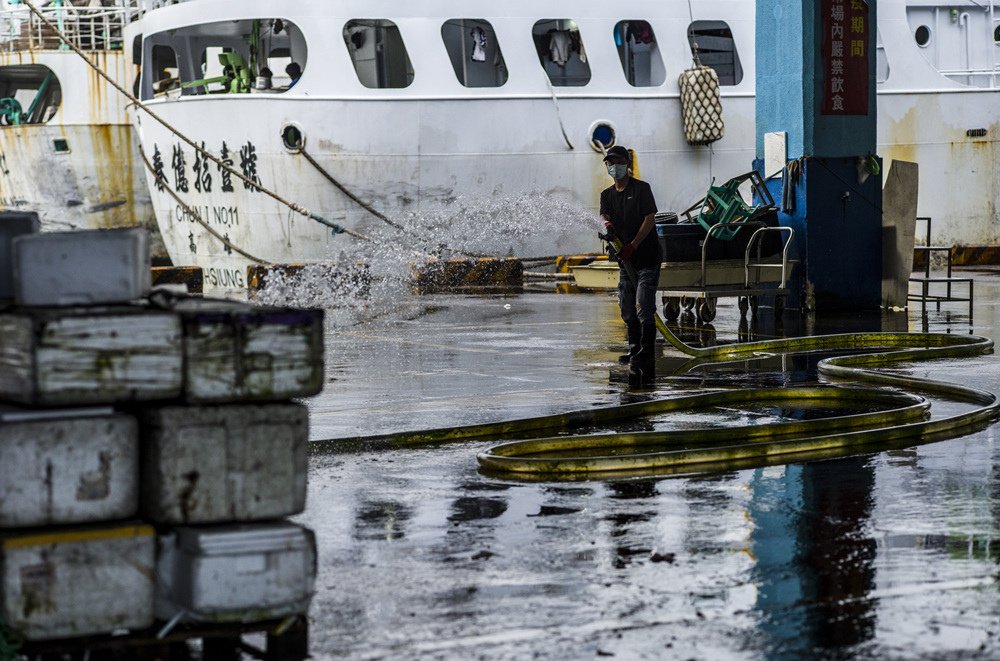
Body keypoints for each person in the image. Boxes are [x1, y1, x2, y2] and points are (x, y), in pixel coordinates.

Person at [599, 145, 661, 384]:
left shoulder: (642, 189)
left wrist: (634, 244)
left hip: (646, 258)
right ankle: (635, 348)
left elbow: (649, 219)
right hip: (625, 262)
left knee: (644, 305)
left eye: (617, 162)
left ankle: (647, 351)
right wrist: (607, 227)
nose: (613, 167)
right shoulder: (607, 195)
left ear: (627, 164)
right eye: (609, 163)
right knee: (627, 306)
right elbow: (604, 216)